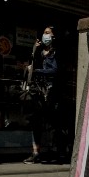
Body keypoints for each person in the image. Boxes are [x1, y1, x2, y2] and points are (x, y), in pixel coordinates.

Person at [23, 25, 67, 164]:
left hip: (51, 92)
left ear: (53, 36)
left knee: (55, 123)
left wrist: (38, 71)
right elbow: (32, 66)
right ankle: (36, 152)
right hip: (39, 91)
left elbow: (55, 70)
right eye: (44, 33)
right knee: (36, 121)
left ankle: (60, 151)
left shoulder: (56, 53)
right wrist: (34, 50)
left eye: (47, 33)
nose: (45, 35)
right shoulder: (40, 52)